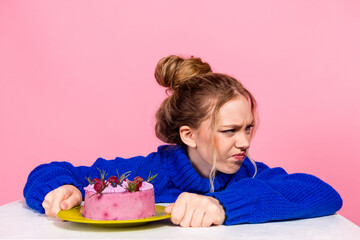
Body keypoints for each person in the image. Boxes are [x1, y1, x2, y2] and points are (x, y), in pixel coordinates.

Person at [24, 55, 342, 227]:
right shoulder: (147, 175)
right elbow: (51, 171)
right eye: (229, 131)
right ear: (189, 135)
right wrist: (59, 190)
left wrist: (222, 206)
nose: (244, 142)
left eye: (248, 128)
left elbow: (323, 193)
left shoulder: (251, 175)